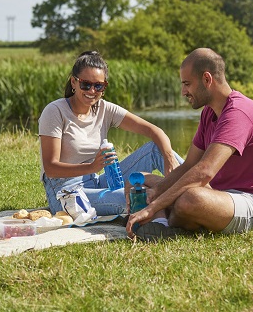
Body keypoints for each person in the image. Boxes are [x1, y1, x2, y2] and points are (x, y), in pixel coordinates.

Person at [126, 48, 253, 240]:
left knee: (190, 199)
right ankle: (159, 223)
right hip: (222, 196)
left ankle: (160, 220)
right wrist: (156, 192)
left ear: (206, 79)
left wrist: (154, 205)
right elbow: (189, 166)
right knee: (139, 180)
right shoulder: (209, 112)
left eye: (187, 84)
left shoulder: (238, 113)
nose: (183, 92)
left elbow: (205, 171)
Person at [38, 50, 183, 216]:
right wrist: (92, 166)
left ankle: (202, 192)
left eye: (98, 85)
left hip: (97, 181)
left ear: (104, 86)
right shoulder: (55, 111)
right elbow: (50, 168)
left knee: (155, 149)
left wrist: (169, 158)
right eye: (86, 84)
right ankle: (178, 204)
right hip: (66, 192)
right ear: (74, 82)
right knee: (133, 196)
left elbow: (154, 131)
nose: (92, 90)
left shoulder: (104, 109)